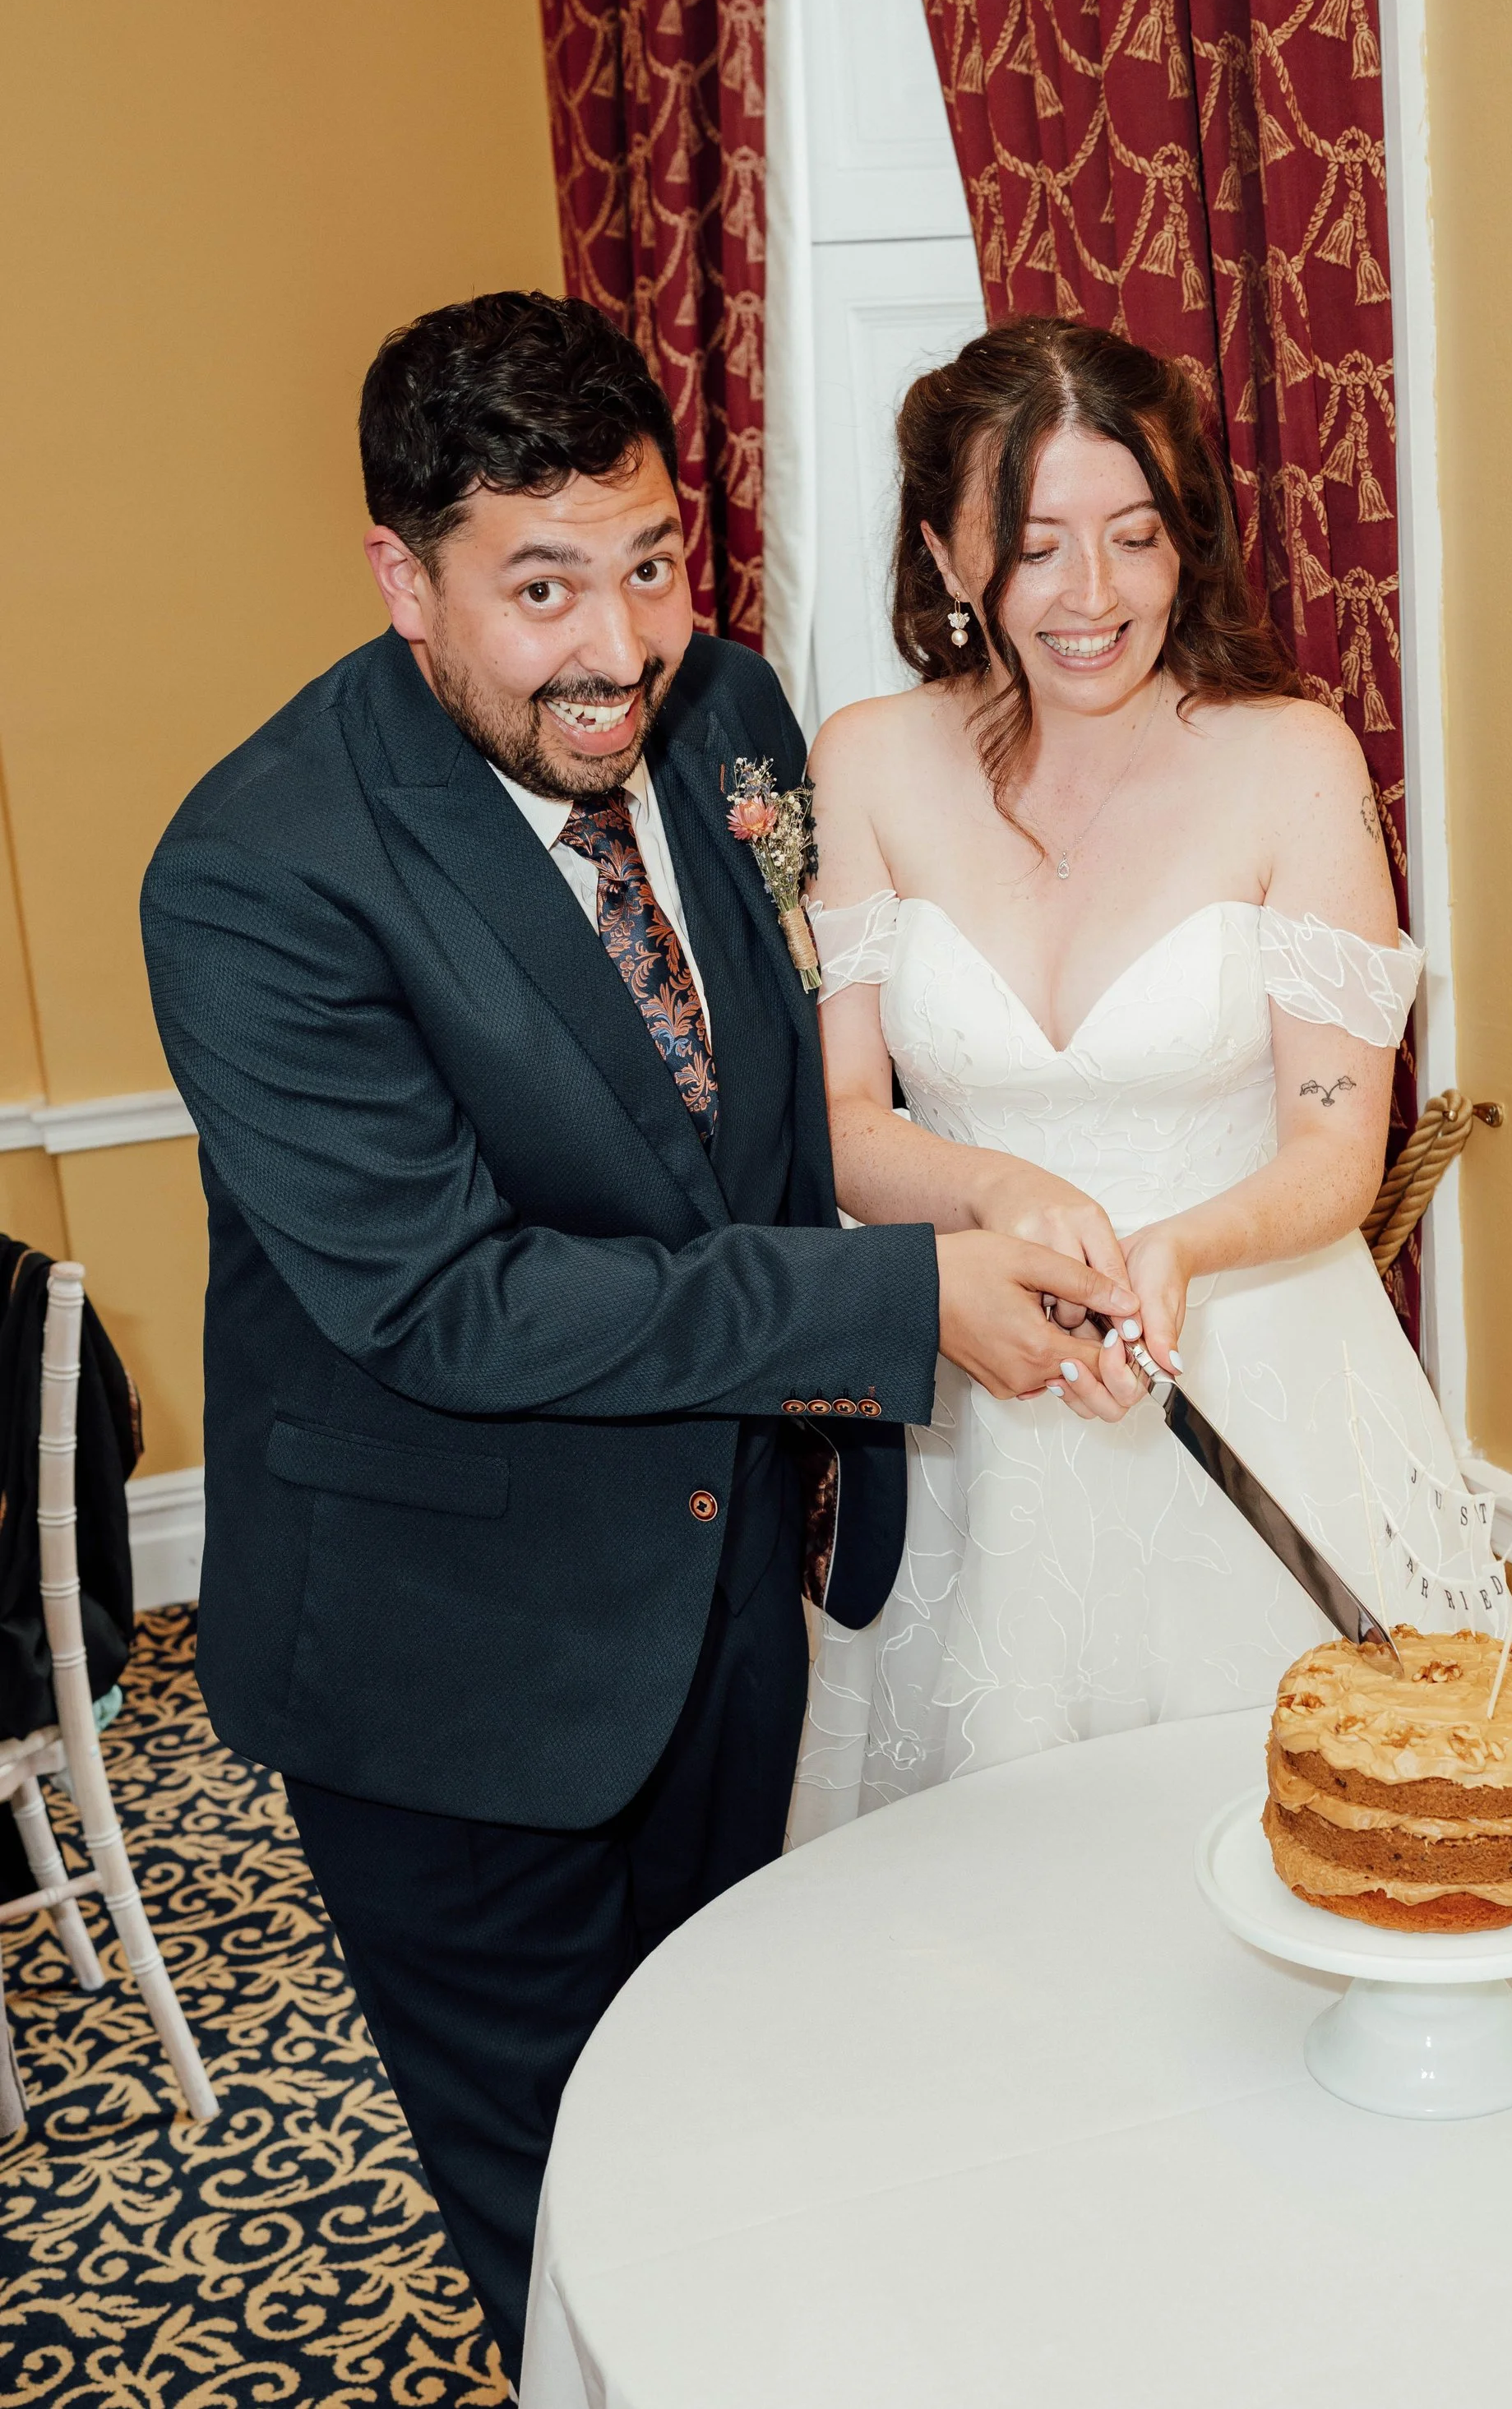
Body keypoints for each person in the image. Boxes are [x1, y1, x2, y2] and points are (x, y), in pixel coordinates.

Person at [140, 293, 1137, 2373]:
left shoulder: (739, 722)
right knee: (579, 2213)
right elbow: (446, 1296)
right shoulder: (255, 873)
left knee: (738, 2115)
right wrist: (897, 1303)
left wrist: (980, 1202)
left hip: (722, 1607)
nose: (621, 648)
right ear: (401, 581)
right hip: (451, 1667)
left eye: (655, 562)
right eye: (540, 588)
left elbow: (763, 1132)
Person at [791, 318, 1509, 1836]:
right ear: (945, 551)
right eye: (1038, 546)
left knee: (1328, 1849)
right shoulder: (863, 762)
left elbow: (1335, 1156)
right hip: (982, 1398)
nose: (1094, 595)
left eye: (1136, 535)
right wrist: (995, 1192)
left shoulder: (1293, 760)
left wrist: (1174, 1251)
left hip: (1256, 1368)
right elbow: (849, 1127)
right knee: (992, 1891)